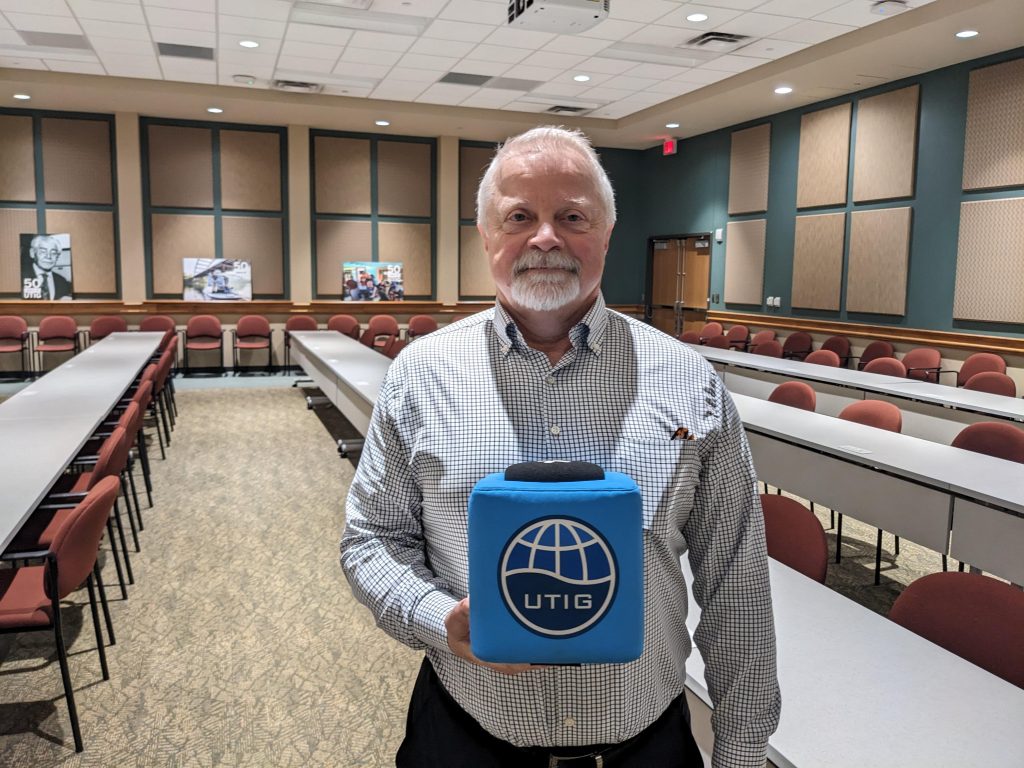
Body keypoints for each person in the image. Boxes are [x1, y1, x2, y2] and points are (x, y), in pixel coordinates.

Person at [340, 126, 780, 768]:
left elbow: (734, 577)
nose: (545, 237)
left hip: (645, 742)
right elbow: (371, 540)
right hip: (467, 736)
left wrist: (740, 751)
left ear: (606, 233)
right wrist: (440, 618)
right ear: (487, 236)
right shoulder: (420, 375)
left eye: (572, 216)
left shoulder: (690, 384)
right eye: (520, 216)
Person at [24, 234, 72, 300]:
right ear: (32, 253)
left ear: (57, 257)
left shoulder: (62, 281)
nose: (48, 256)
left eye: (53, 253)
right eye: (43, 252)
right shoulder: (22, 277)